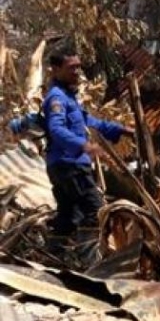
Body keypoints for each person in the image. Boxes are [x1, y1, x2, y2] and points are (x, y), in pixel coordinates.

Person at [41, 49, 132, 246]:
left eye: (78, 67)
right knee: (96, 213)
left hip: (64, 165)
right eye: (71, 68)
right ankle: (92, 262)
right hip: (70, 165)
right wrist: (83, 145)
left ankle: (55, 255)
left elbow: (88, 121)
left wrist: (120, 129)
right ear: (56, 70)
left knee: (68, 218)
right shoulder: (56, 98)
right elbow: (56, 128)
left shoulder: (68, 97)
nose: (77, 72)